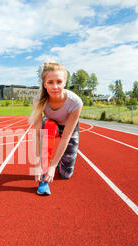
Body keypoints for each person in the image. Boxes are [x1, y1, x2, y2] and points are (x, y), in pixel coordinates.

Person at [29, 62, 83, 195]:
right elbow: (36, 134)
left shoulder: (75, 102)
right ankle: (44, 181)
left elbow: (65, 137)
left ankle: (57, 163)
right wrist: (37, 164)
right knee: (49, 126)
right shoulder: (38, 101)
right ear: (44, 84)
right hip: (50, 124)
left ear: (65, 83)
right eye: (50, 82)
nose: (55, 86)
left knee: (66, 174)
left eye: (59, 82)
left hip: (68, 127)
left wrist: (54, 166)